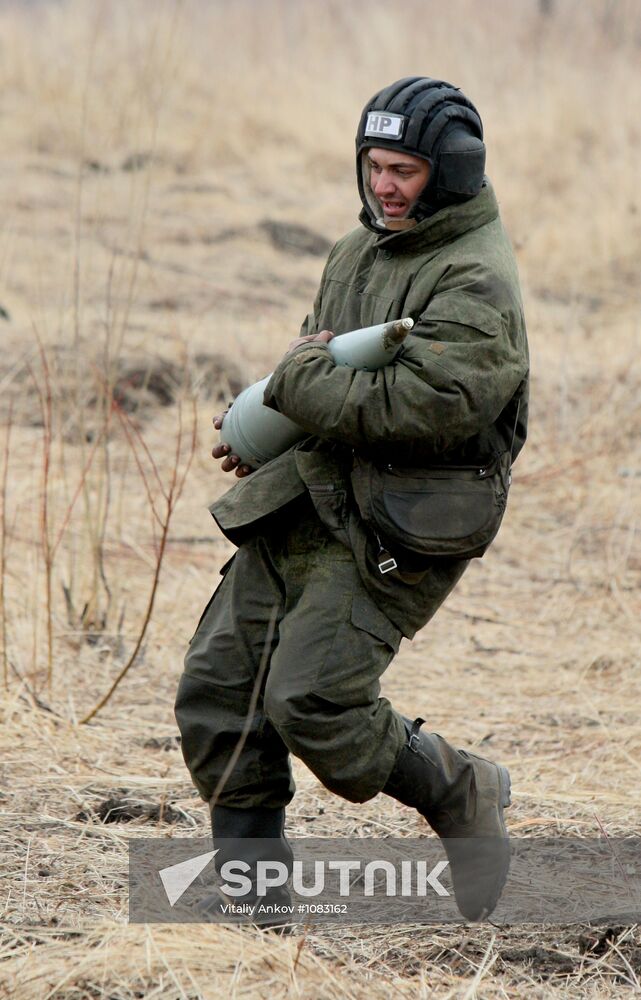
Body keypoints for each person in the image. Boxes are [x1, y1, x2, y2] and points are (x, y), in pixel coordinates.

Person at [175, 76, 529, 924]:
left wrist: (298, 385)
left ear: (447, 173)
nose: (383, 185)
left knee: (312, 701)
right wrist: (263, 427)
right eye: (374, 165)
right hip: (307, 494)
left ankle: (460, 788)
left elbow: (427, 409)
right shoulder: (358, 249)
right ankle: (255, 916)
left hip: (398, 519)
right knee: (220, 697)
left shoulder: (475, 282)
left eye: (403, 169)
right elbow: (326, 368)